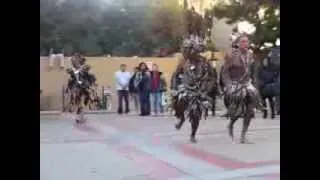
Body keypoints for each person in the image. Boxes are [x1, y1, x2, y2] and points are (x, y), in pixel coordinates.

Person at [221, 34, 266, 143]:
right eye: (243, 42)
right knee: (237, 111)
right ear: (238, 44)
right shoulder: (232, 55)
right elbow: (225, 73)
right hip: (235, 84)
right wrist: (228, 86)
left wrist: (255, 85)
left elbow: (252, 73)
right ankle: (231, 124)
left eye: (247, 42)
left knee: (249, 111)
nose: (246, 44)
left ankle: (243, 136)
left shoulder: (250, 55)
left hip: (246, 83)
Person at [172, 34, 217, 143]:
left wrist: (206, 90)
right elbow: (175, 75)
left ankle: (193, 134)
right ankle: (181, 117)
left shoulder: (205, 62)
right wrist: (174, 87)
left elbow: (212, 77)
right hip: (186, 89)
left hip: (199, 91)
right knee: (178, 102)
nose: (188, 53)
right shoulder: (183, 62)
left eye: (189, 51)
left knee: (196, 114)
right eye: (186, 51)